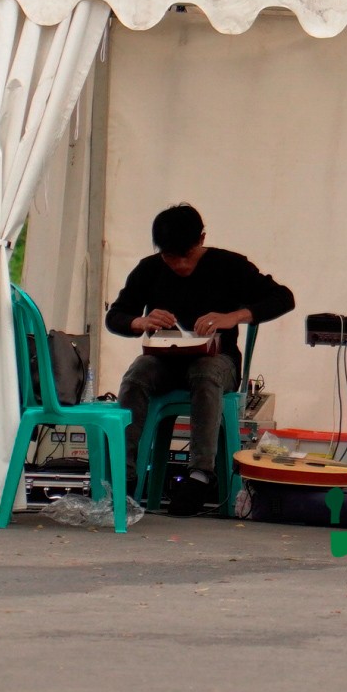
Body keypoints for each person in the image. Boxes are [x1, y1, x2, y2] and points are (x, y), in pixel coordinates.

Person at [105, 204, 295, 514]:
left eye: (187, 256)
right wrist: (141, 321)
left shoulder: (230, 265)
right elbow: (115, 316)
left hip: (219, 361)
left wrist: (234, 316)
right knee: (137, 374)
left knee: (205, 372)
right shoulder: (149, 269)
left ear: (202, 239)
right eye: (171, 257)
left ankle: (200, 475)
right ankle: (123, 474)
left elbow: (283, 298)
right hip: (164, 362)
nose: (181, 265)